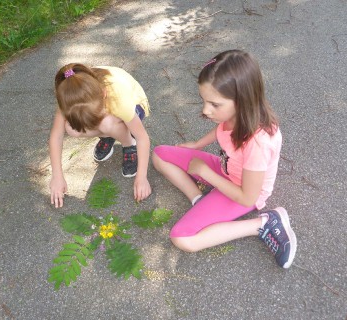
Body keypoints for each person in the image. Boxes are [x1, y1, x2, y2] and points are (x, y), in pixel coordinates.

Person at [152, 50, 297, 268]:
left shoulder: (258, 142)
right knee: (159, 155)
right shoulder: (235, 115)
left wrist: (206, 173)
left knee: (182, 239)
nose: (206, 110)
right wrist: (197, 145)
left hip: (242, 191)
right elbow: (222, 130)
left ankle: (263, 224)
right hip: (225, 170)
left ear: (242, 100)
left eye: (214, 104)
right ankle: (198, 198)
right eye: (204, 100)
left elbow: (248, 197)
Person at [49, 63, 152, 208]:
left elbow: (143, 137)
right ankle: (107, 136)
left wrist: (142, 178)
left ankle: (129, 144)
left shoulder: (119, 101)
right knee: (72, 129)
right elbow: (56, 136)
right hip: (106, 110)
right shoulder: (69, 97)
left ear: (104, 94)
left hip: (135, 106)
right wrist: (57, 176)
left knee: (107, 123)